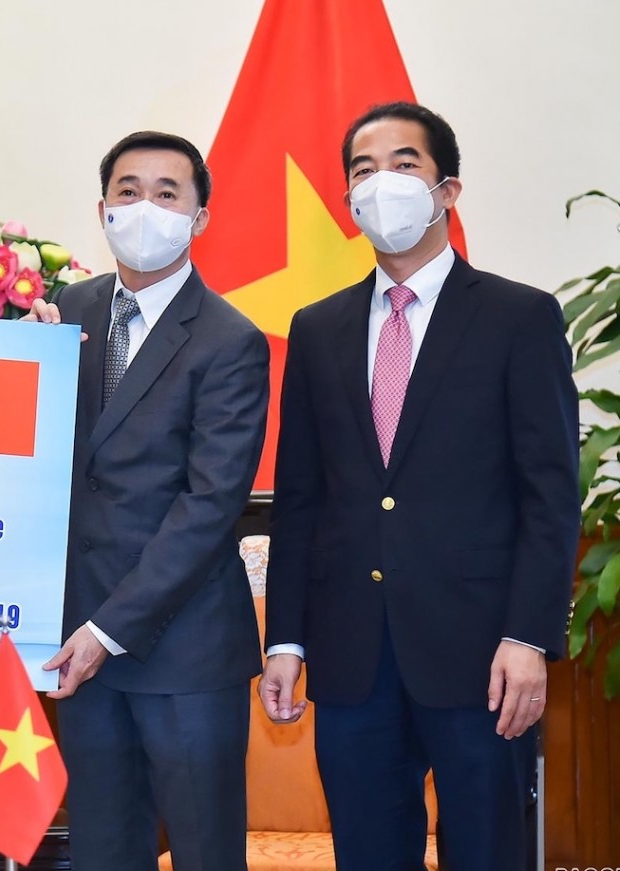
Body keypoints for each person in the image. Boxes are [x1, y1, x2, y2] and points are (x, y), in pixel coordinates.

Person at [259, 102, 579, 870]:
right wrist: (287, 639)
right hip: (351, 657)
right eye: (363, 171)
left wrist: (529, 636)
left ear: (448, 191)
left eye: (404, 165)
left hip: (482, 658)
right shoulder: (317, 327)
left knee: (487, 852)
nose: (382, 183)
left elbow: (550, 495)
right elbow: (301, 495)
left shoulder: (519, 316)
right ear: (348, 204)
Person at [28, 131, 269, 871]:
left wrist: (107, 629)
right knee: (103, 848)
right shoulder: (66, 311)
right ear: (102, 209)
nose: (145, 207)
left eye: (168, 193)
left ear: (199, 218)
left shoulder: (230, 339)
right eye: (128, 191)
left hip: (183, 650)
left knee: (203, 851)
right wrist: (27, 372)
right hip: (79, 647)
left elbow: (208, 505)